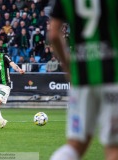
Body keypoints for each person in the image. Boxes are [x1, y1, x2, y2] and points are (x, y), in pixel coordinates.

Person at [49, 1, 118, 160]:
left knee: (75, 145)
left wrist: (68, 68)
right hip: (113, 77)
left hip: (81, 78)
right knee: (114, 148)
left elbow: (53, 34)